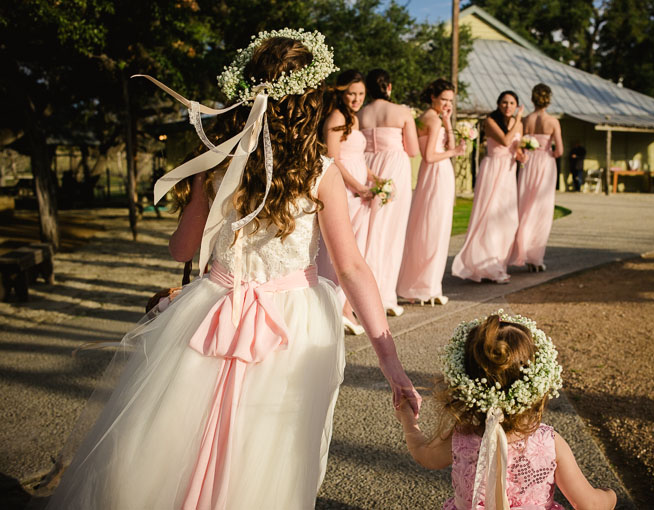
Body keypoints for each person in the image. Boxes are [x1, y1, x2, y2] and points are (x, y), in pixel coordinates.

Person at [43, 30, 421, 510]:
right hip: (292, 323)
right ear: (308, 100)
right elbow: (352, 268)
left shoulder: (218, 163)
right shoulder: (320, 171)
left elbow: (182, 250)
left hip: (213, 310)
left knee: (180, 438)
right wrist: (391, 364)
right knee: (264, 448)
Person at [394, 311, 617, 510]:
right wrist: (610, 496)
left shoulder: (461, 437)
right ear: (535, 383)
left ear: (468, 381)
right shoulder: (549, 443)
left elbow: (424, 454)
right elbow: (589, 504)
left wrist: (407, 418)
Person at [358, 68, 420, 316]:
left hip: (366, 167)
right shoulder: (402, 113)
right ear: (389, 87)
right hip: (394, 170)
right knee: (391, 234)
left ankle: (361, 298)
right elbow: (413, 150)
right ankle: (384, 297)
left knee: (366, 232)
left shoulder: (360, 114)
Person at [396, 79, 464, 306]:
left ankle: (428, 286)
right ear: (433, 97)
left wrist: (447, 120)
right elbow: (430, 156)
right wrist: (454, 150)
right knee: (433, 231)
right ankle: (427, 287)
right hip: (436, 175)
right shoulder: (431, 120)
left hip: (435, 175)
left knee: (431, 229)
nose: (447, 104)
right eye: (443, 99)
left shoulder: (435, 118)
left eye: (450, 101)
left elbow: (448, 147)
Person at [317, 69, 374, 335]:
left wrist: (373, 178)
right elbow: (333, 158)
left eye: (361, 94)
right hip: (344, 189)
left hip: (359, 190)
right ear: (341, 93)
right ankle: (336, 307)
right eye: (351, 93)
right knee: (338, 250)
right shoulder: (337, 117)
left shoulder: (352, 117)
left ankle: (347, 307)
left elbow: (357, 156)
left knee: (356, 248)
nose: (356, 99)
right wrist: (358, 186)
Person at [452, 91, 523, 284]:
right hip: (493, 169)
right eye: (504, 103)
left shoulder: (518, 124)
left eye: (511, 103)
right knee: (489, 216)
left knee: (508, 219)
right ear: (498, 104)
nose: (508, 106)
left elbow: (515, 147)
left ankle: (499, 262)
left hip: (509, 172)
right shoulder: (491, 121)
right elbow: (506, 140)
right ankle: (488, 268)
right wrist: (518, 120)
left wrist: (521, 155)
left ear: (516, 105)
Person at [510, 83, 563, 272]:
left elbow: (519, 145)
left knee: (524, 206)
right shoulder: (553, 122)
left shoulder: (525, 120)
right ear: (548, 99)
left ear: (532, 99)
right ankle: (536, 258)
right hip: (546, 164)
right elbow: (560, 151)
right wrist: (548, 151)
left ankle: (521, 251)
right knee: (542, 209)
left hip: (528, 163)